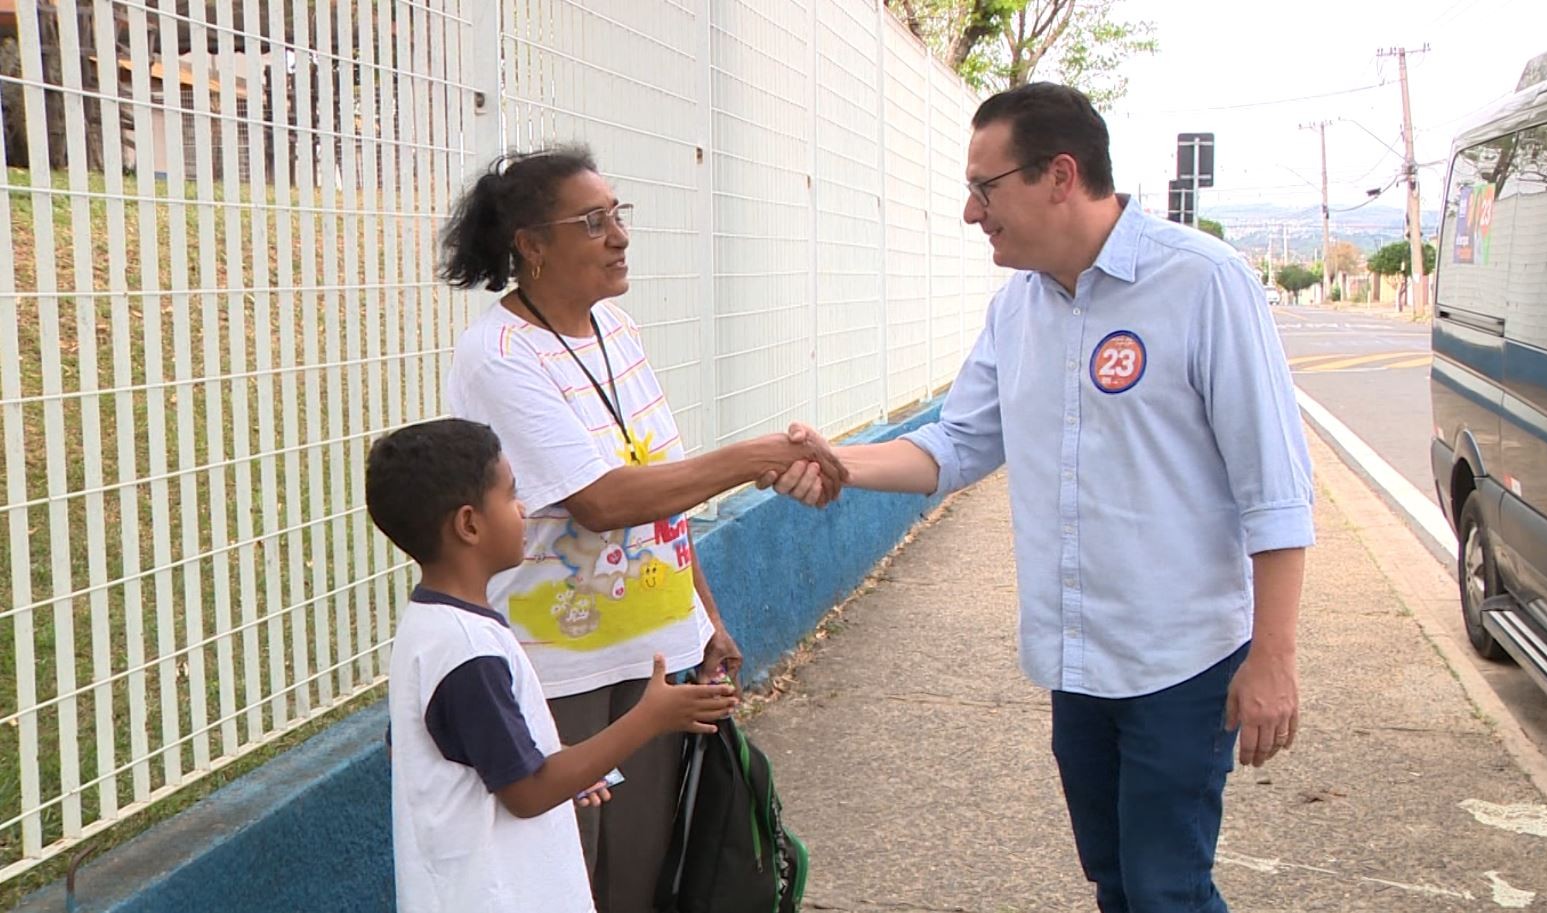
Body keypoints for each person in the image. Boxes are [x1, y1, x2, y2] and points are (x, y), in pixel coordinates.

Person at [766, 83, 1314, 913]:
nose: (969, 212)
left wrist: (1273, 656)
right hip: (1077, 661)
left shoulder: (1203, 282)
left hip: (1182, 662)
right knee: (1118, 880)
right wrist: (838, 463)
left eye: (985, 188)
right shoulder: (1018, 307)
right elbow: (955, 444)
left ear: (1060, 175)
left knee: (1169, 888)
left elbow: (1274, 484)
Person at [438, 147, 846, 913]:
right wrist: (760, 455)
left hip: (655, 655)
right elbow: (599, 499)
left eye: (619, 215)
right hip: (561, 669)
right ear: (530, 244)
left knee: (646, 875)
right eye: (593, 222)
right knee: (569, 880)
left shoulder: (616, 329)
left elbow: (659, 484)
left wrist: (705, 617)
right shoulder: (498, 356)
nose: (619, 236)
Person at [367, 418, 738, 913]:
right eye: (512, 495)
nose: (524, 510)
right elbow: (528, 792)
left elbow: (425, 750)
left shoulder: (431, 626)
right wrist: (650, 717)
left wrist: (549, 757)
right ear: (469, 524)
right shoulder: (469, 650)